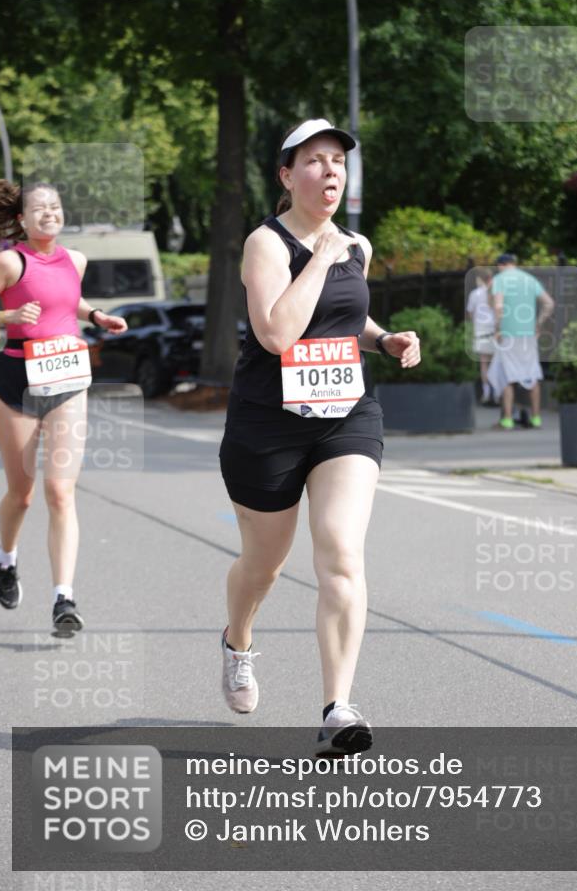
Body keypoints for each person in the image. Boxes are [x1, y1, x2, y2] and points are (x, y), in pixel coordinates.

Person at [218, 119, 421, 756]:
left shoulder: (354, 244)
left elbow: (345, 312)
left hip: (345, 415)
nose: (330, 172)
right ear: (286, 176)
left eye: (338, 161)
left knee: (340, 551)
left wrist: (382, 337)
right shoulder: (266, 244)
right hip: (267, 425)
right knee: (265, 565)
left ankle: (339, 707)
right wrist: (324, 256)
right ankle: (238, 641)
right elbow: (278, 333)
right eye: (314, 161)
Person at [0, 179, 127, 632]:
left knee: (60, 492)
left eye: (55, 206)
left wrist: (96, 316)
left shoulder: (76, 259)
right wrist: (7, 317)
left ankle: (63, 599)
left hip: (68, 379)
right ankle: (6, 557)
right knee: (23, 493)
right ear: (21, 220)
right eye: (40, 209)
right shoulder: (9, 262)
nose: (50, 213)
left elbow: (67, 300)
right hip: (17, 383)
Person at [487, 253, 554, 429]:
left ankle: (507, 420)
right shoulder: (529, 279)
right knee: (532, 375)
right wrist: (538, 324)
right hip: (529, 334)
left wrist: (497, 328)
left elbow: (498, 306)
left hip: (509, 334)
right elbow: (549, 303)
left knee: (508, 376)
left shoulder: (500, 279)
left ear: (501, 265)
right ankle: (536, 418)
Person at [465, 267, 495, 403]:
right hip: (495, 330)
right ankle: (498, 391)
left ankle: (487, 391)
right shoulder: (497, 292)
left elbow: (470, 313)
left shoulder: (475, 294)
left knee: (484, 363)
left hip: (481, 331)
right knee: (496, 362)